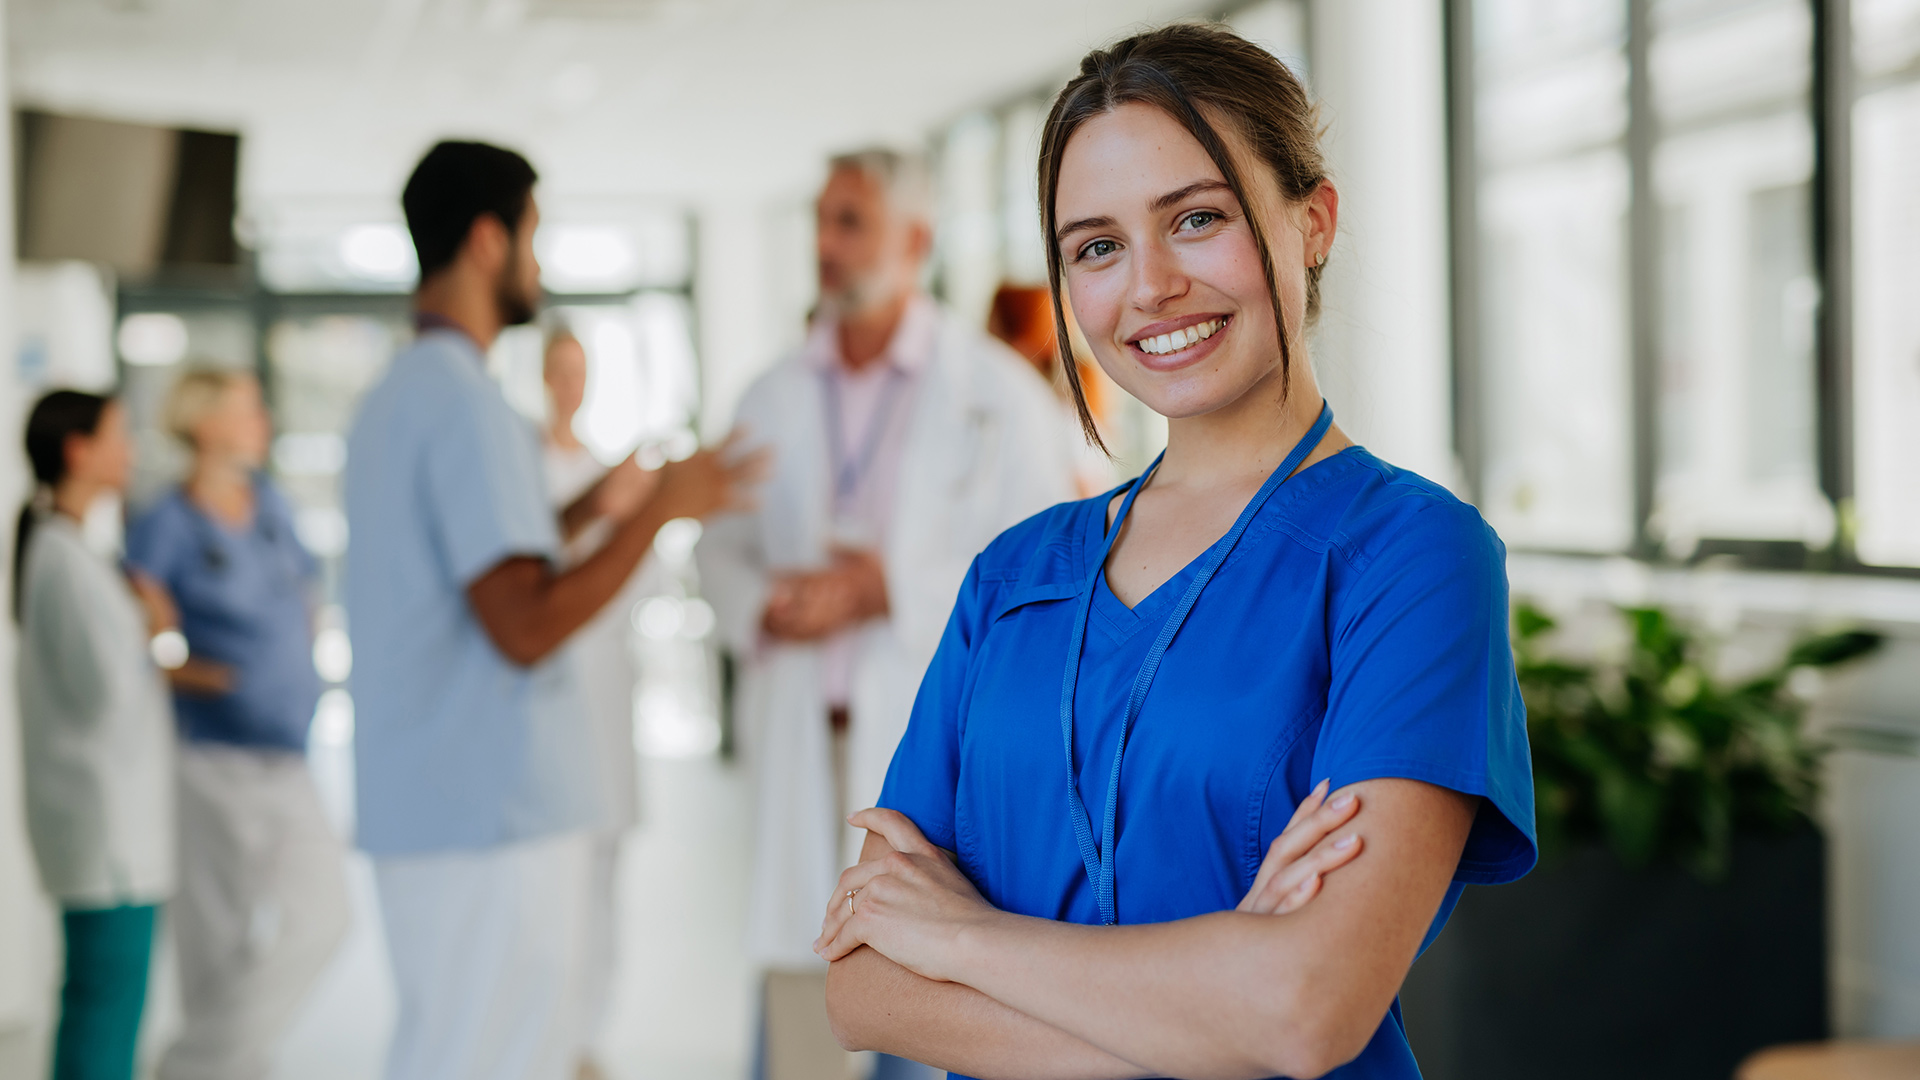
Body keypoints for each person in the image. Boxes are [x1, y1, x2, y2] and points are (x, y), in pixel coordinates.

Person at [815, 24, 1536, 1080]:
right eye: (1097, 246)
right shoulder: (1013, 579)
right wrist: (1213, 1006)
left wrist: (962, 940)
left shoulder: (1411, 557)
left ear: (1314, 219)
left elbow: (1305, 1009)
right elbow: (864, 983)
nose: (1150, 286)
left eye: (1196, 219)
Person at [344, 140, 760, 1080]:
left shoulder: (399, 397)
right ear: (488, 242)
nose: (540, 264)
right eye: (534, 237)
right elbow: (523, 623)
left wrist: (585, 510)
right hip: (488, 819)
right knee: (490, 1056)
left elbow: (466, 569)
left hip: (437, 806)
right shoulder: (467, 407)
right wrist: (661, 509)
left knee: (452, 1047)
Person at [696, 148, 1077, 1080]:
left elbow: (1050, 567)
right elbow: (717, 545)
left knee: (923, 996)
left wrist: (885, 588)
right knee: (798, 1001)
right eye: (822, 221)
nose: (826, 244)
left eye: (850, 221)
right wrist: (771, 604)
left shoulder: (996, 396)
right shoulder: (770, 394)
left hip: (926, 746)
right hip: (803, 734)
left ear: (916, 239)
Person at [125, 368, 350, 1080]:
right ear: (209, 423)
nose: (263, 422)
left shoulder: (270, 504)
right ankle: (227, 1066)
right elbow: (137, 629)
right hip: (212, 755)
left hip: (288, 751)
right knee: (215, 943)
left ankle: (197, 1064)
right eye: (249, 410)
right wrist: (203, 672)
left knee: (326, 919)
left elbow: (306, 589)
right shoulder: (168, 522)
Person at [16, 390, 177, 1080]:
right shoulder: (64, 560)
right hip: (109, 836)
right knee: (105, 1017)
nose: (131, 451)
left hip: (107, 830)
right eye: (118, 436)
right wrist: (158, 630)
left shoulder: (70, 551)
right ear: (78, 451)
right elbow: (107, 694)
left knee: (97, 1008)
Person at [537, 325, 663, 1079]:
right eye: (558, 370)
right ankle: (553, 1032)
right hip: (550, 691)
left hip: (605, 689)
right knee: (556, 869)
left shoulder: (606, 472)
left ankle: (587, 1036)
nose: (569, 385)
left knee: (605, 869)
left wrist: (631, 518)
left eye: (579, 371)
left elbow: (637, 582)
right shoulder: (527, 470)